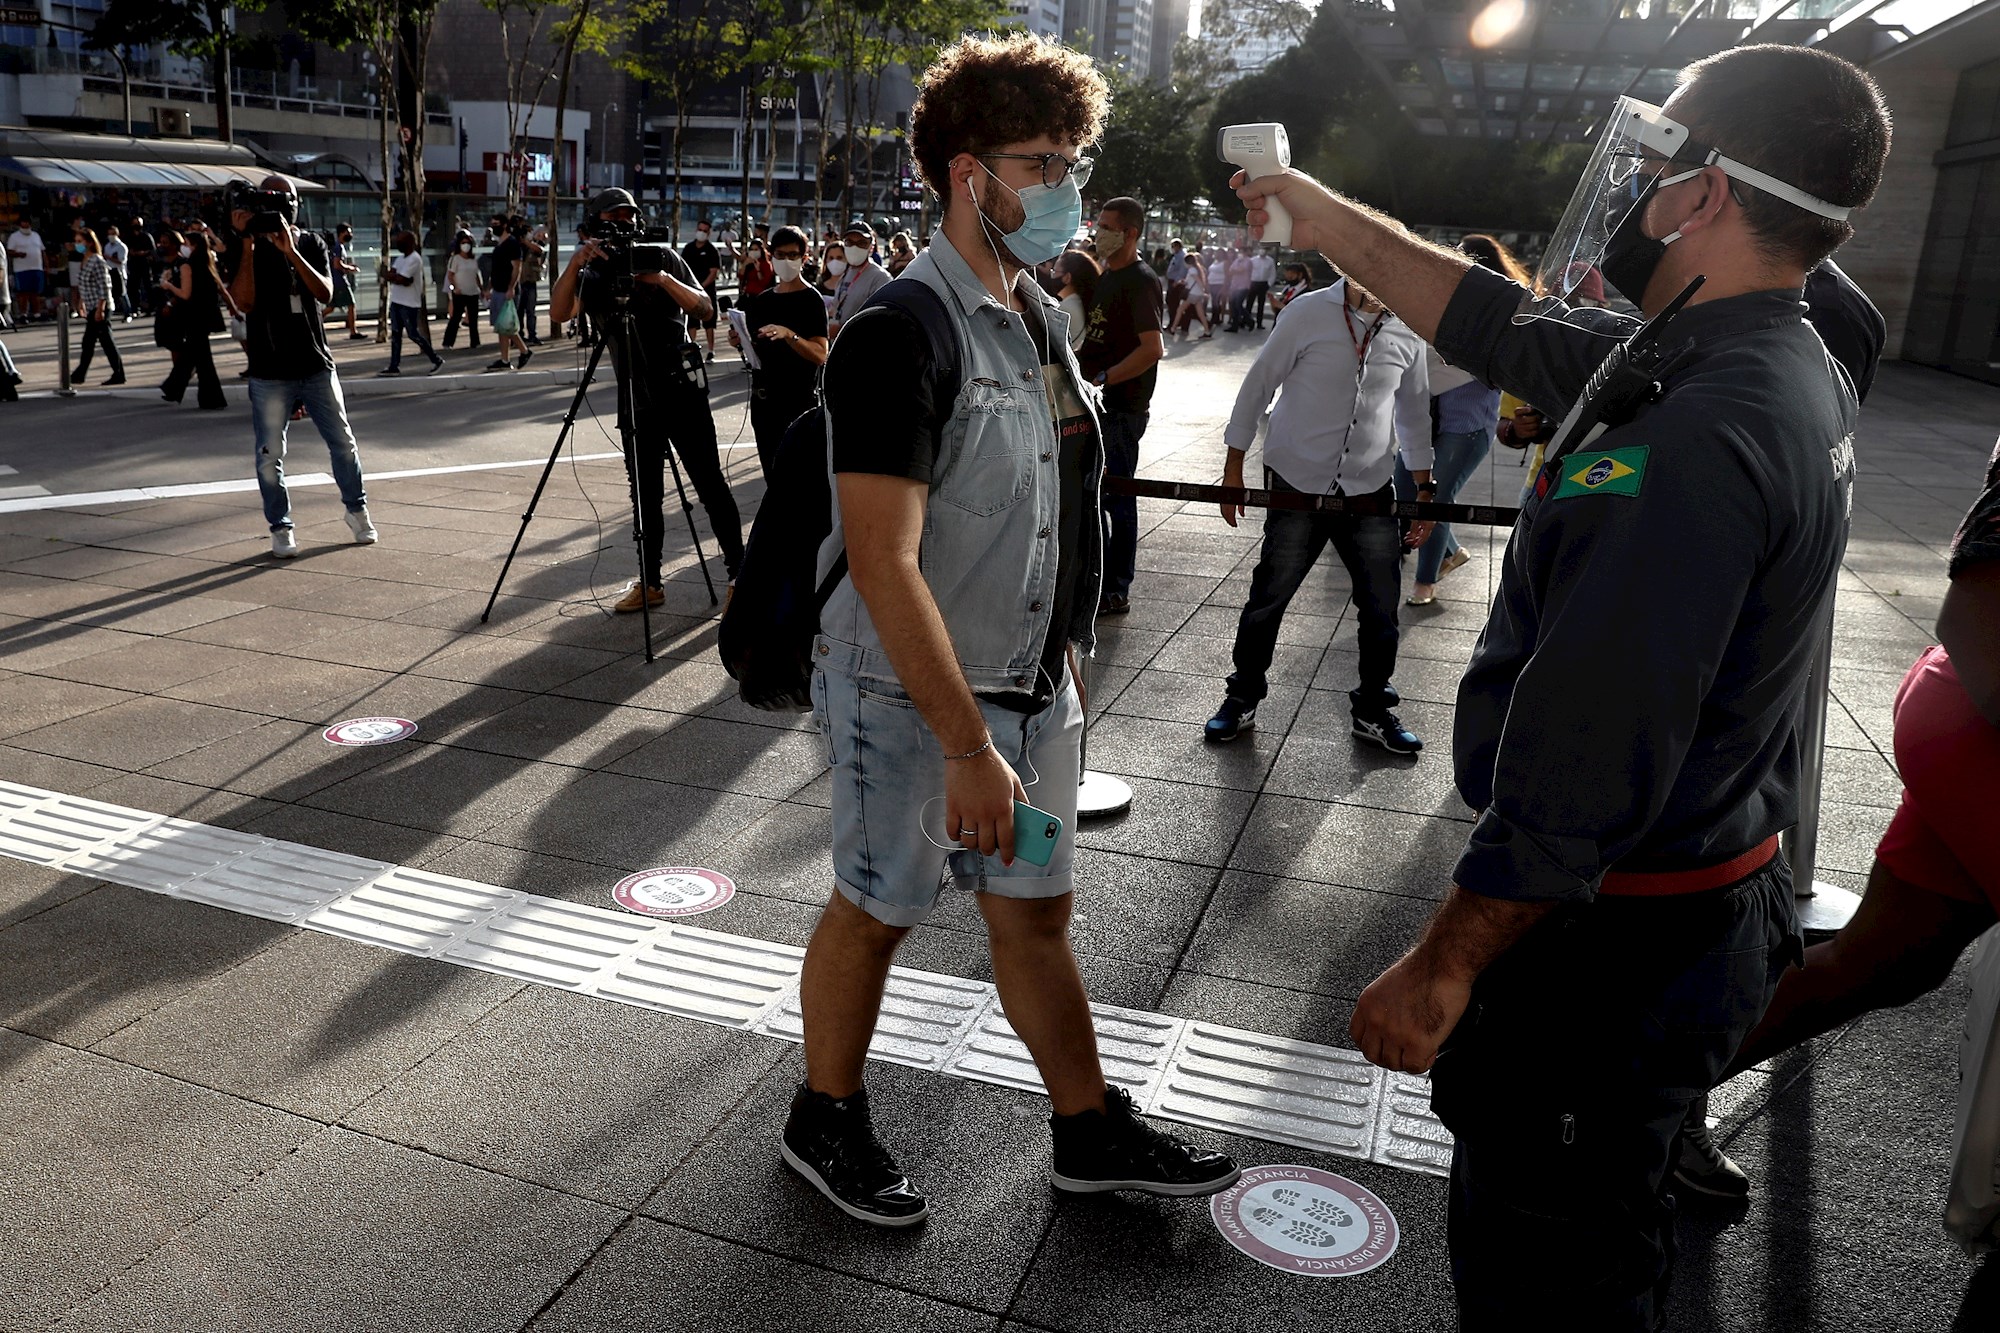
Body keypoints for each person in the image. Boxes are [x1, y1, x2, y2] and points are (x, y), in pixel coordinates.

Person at [1231, 43, 1891, 1327]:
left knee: (1557, 1278)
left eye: (1654, 165)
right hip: (1691, 900)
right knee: (1598, 1241)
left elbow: (1585, 757)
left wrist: (1438, 965)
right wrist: (1310, 205)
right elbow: (1488, 316)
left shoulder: (1696, 428)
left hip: (1614, 952)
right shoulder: (1762, 345)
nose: (1632, 190)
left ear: (1703, 192)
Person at [789, 31, 1238, 1230]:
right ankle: (822, 1114)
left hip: (1034, 689)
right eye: (1041, 162)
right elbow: (881, 563)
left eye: (1071, 160)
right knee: (879, 904)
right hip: (910, 694)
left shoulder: (1040, 317)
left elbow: (1058, 500)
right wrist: (964, 742)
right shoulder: (900, 329)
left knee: (1034, 909)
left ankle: (1086, 1130)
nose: (1065, 188)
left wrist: (1063, 655)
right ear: (964, 173)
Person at [1675, 435, 2000, 1197]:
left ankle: (1640, 1108)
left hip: (1964, 716)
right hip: (1983, 720)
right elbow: (1980, 612)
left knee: (1886, 957)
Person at [1206, 273, 1434, 754]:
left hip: (1370, 485)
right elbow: (1259, 384)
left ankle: (1373, 708)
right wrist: (1233, 467)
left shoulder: (1408, 327)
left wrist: (1423, 490)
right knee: (1270, 595)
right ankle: (1241, 697)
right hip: (1297, 478)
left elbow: (1413, 412)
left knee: (1380, 607)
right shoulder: (1307, 311)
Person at [547, 188, 743, 609]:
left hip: (681, 389)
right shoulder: (593, 273)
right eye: (613, 217)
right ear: (596, 224)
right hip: (635, 394)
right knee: (645, 494)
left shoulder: (664, 257)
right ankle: (650, 582)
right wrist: (575, 263)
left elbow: (706, 310)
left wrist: (662, 279)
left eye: (628, 216)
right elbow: (560, 313)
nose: (623, 225)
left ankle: (739, 574)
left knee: (709, 482)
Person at [227, 177, 377, 557]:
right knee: (268, 455)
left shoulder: (312, 242)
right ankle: (281, 527)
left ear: (294, 204)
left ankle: (356, 510)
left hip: (315, 364)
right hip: (268, 370)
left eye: (279, 201)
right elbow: (242, 301)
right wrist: (247, 241)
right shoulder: (246, 246)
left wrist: (291, 250)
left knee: (343, 443)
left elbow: (326, 292)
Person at [1400, 234, 1523, 606]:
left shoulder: (1502, 312)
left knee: (1435, 499)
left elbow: (1446, 367)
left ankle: (1425, 582)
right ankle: (1450, 552)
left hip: (1466, 427)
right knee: (1405, 490)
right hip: (1424, 421)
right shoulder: (1441, 304)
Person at [1078, 195, 1163, 616]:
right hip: (1096, 404)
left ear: (1130, 233)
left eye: (1108, 227)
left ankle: (1117, 586)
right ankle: (1098, 579)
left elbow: (1152, 349)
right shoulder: (1107, 275)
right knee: (1098, 496)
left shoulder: (1140, 280)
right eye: (1098, 225)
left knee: (1118, 497)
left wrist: (1104, 377)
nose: (1099, 233)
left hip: (1120, 410)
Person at [729, 223, 828, 482]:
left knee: (799, 480)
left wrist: (790, 335)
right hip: (764, 403)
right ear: (771, 256)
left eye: (793, 255)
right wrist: (739, 340)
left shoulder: (811, 300)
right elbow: (757, 348)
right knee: (772, 477)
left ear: (804, 258)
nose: (786, 261)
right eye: (780, 255)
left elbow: (820, 354)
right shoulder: (763, 300)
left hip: (798, 402)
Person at [156, 228, 227, 410]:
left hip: (194, 317)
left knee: (199, 359)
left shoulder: (188, 266)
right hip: (204, 317)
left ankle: (181, 389)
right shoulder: (206, 263)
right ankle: (180, 390)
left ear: (193, 246)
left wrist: (169, 286)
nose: (183, 247)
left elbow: (185, 294)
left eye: (186, 244)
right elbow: (219, 288)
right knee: (198, 357)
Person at [377, 229, 444, 377]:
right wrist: (397, 278)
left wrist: (397, 278)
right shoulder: (401, 259)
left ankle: (436, 359)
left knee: (413, 334)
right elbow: (395, 276)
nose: (398, 243)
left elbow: (402, 279)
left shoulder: (415, 258)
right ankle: (394, 366)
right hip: (396, 301)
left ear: (410, 243)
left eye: (401, 241)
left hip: (409, 303)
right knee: (396, 335)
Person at [69, 230, 126, 387]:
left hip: (100, 306)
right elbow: (84, 284)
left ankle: (117, 373)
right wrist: (81, 302)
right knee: (90, 342)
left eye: (80, 241)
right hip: (91, 304)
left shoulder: (97, 260)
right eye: (76, 241)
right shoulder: (85, 260)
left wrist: (101, 308)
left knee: (103, 341)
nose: (77, 244)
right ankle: (80, 374)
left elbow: (104, 286)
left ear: (89, 242)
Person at [827, 218, 892, 337]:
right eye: (850, 242)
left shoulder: (880, 278)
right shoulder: (847, 272)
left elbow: (882, 322)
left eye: (862, 243)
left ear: (871, 247)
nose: (854, 247)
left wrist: (843, 330)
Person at [488, 215, 532, 372]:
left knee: (505, 326)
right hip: (498, 289)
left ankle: (522, 351)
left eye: (497, 224)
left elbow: (516, 268)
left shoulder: (512, 244)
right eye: (492, 224)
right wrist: (490, 287)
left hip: (506, 291)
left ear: (505, 225)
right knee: (502, 327)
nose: (494, 227)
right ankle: (507, 358)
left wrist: (511, 287)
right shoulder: (499, 244)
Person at [680, 218, 722, 361]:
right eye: (700, 230)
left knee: (709, 323)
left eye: (705, 231)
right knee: (691, 322)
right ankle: (691, 349)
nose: (701, 233)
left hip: (707, 292)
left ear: (709, 233)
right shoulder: (688, 248)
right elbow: (683, 269)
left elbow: (713, 272)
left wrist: (701, 286)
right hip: (690, 291)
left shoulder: (712, 250)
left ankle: (710, 351)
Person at [444, 232, 484, 350]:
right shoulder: (455, 258)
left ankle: (475, 342)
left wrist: (481, 289)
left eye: (468, 243)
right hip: (460, 293)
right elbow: (450, 275)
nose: (465, 245)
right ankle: (448, 342)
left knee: (473, 318)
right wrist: (455, 287)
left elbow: (476, 275)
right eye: (463, 243)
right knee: (456, 318)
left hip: (472, 292)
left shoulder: (473, 260)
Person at [1054, 248, 1098, 352]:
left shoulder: (1064, 309)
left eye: (1054, 271)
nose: (1052, 275)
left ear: (1067, 277)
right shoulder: (1084, 303)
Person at [326, 221, 362, 340]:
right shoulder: (338, 247)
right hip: (340, 281)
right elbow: (337, 265)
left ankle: (312, 324)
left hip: (334, 280)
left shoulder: (336, 246)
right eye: (348, 232)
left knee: (330, 308)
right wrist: (351, 268)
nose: (350, 235)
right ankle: (353, 331)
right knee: (351, 304)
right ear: (342, 233)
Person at [7, 219, 45, 321]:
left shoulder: (36, 236)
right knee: (23, 293)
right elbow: (9, 252)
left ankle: (37, 314)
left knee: (36, 292)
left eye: (27, 222)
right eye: (24, 222)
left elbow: (42, 251)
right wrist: (19, 254)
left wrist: (46, 266)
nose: (26, 224)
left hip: (37, 268)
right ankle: (23, 314)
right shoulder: (14, 237)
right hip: (21, 269)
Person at [519, 224, 548, 346]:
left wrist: (526, 242)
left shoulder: (535, 246)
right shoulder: (520, 247)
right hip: (520, 282)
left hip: (530, 282)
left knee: (531, 311)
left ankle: (532, 335)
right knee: (519, 311)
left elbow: (539, 250)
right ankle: (519, 336)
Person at [102, 225, 131, 320]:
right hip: (109, 271)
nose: (111, 236)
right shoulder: (107, 246)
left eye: (113, 234)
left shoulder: (122, 247)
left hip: (119, 272)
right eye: (109, 234)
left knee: (122, 293)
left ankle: (128, 312)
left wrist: (109, 257)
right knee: (110, 293)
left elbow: (121, 261)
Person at [1246, 245, 1276, 329]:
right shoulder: (1253, 260)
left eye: (1265, 249)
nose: (1263, 251)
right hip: (1253, 283)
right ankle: (1246, 321)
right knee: (1249, 303)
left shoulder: (1270, 261)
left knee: (1261, 304)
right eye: (1261, 249)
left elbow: (1272, 273)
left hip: (1263, 284)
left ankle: (1259, 323)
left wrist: (1269, 284)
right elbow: (1248, 272)